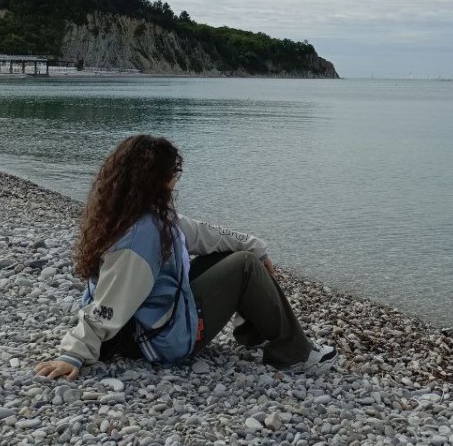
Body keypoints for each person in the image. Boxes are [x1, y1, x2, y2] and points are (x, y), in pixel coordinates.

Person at [34, 134, 336, 380]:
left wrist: (255, 246)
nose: (176, 179)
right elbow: (111, 301)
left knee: (234, 254)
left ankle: (255, 335)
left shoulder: (141, 215)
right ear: (155, 178)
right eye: (173, 172)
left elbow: (203, 234)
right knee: (243, 266)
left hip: (150, 322)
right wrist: (73, 354)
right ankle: (296, 355)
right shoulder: (140, 238)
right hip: (156, 341)